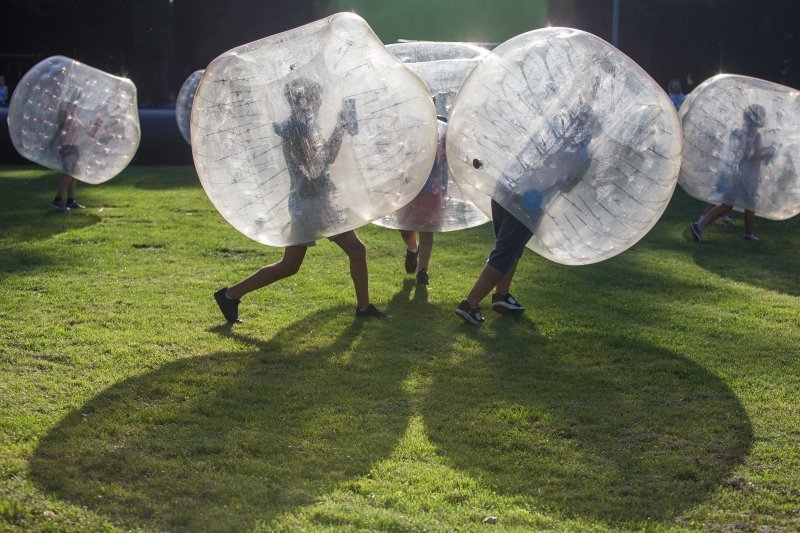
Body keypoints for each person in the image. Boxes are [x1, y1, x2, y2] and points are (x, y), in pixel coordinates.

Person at [214, 77, 385, 323]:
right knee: (295, 264)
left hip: (318, 200)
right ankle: (230, 295)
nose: (319, 103)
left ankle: (363, 307)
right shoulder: (297, 128)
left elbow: (320, 160)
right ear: (301, 101)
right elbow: (320, 164)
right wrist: (340, 127)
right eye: (316, 98)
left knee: (345, 253)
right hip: (311, 204)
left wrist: (340, 128)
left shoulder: (304, 124)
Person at [456, 103, 598, 325]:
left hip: (503, 190)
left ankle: (501, 295)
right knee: (505, 253)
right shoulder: (583, 154)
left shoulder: (548, 132)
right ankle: (470, 304)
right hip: (529, 203)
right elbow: (568, 186)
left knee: (512, 249)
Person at [690, 103, 776, 242]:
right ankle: (700, 225)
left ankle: (748, 234)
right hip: (740, 176)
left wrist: (768, 151)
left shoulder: (749, 134)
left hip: (744, 176)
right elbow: (750, 155)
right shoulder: (745, 135)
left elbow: (755, 152)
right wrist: (768, 153)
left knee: (748, 205)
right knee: (728, 204)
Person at [399, 116, 448, 286]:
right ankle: (413, 249)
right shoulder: (409, 125)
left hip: (432, 187)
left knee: (427, 229)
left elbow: (449, 157)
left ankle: (423, 271)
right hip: (410, 185)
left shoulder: (443, 126)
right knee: (405, 227)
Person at [50, 98, 102, 211]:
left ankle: (70, 201)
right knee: (69, 174)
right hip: (67, 146)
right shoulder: (66, 114)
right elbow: (73, 126)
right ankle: (57, 200)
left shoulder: (74, 115)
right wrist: (90, 125)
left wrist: (96, 126)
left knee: (74, 175)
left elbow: (89, 133)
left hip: (74, 146)